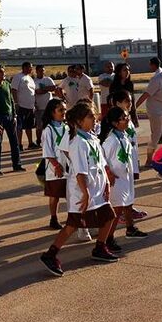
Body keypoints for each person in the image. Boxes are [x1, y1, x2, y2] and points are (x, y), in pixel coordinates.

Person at [39, 103, 118, 277]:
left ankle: (99, 247)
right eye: (90, 116)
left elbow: (100, 163)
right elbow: (80, 172)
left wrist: (106, 183)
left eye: (94, 116)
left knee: (109, 217)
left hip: (97, 189)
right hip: (82, 191)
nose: (95, 119)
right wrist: (85, 192)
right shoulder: (77, 143)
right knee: (72, 225)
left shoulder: (92, 138)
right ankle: (50, 255)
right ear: (79, 121)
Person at [101, 106, 148, 250]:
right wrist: (108, 173)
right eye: (124, 118)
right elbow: (103, 159)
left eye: (127, 116)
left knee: (127, 203)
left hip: (125, 176)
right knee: (117, 209)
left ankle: (130, 228)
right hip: (116, 179)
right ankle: (108, 238)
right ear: (115, 123)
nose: (127, 120)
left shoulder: (123, 135)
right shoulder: (111, 140)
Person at [0, 65, 23, 175]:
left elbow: (11, 100)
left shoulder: (7, 84)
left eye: (3, 72)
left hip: (9, 117)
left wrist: (14, 115)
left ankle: (17, 165)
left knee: (14, 142)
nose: (3, 74)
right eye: (0, 72)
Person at [40, 98, 68, 230]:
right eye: (60, 110)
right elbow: (47, 150)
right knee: (55, 195)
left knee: (71, 193)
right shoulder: (48, 130)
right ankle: (53, 218)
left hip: (67, 166)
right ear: (52, 112)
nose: (63, 112)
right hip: (54, 168)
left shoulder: (66, 127)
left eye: (64, 110)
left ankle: (73, 217)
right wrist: (56, 165)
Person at [11, 62, 38, 150]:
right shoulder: (18, 77)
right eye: (29, 67)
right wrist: (16, 103)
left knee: (29, 126)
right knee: (20, 126)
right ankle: (19, 144)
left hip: (30, 106)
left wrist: (34, 104)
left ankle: (30, 143)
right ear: (24, 67)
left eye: (31, 68)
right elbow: (14, 90)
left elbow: (32, 92)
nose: (31, 69)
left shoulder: (30, 78)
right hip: (21, 106)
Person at [33, 65, 56, 146]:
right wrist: (45, 90)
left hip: (48, 106)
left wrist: (43, 89)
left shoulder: (48, 79)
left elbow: (53, 87)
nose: (41, 72)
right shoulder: (34, 81)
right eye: (39, 70)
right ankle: (39, 141)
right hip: (39, 107)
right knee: (39, 126)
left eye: (43, 70)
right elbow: (35, 92)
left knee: (50, 125)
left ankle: (50, 141)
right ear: (36, 71)